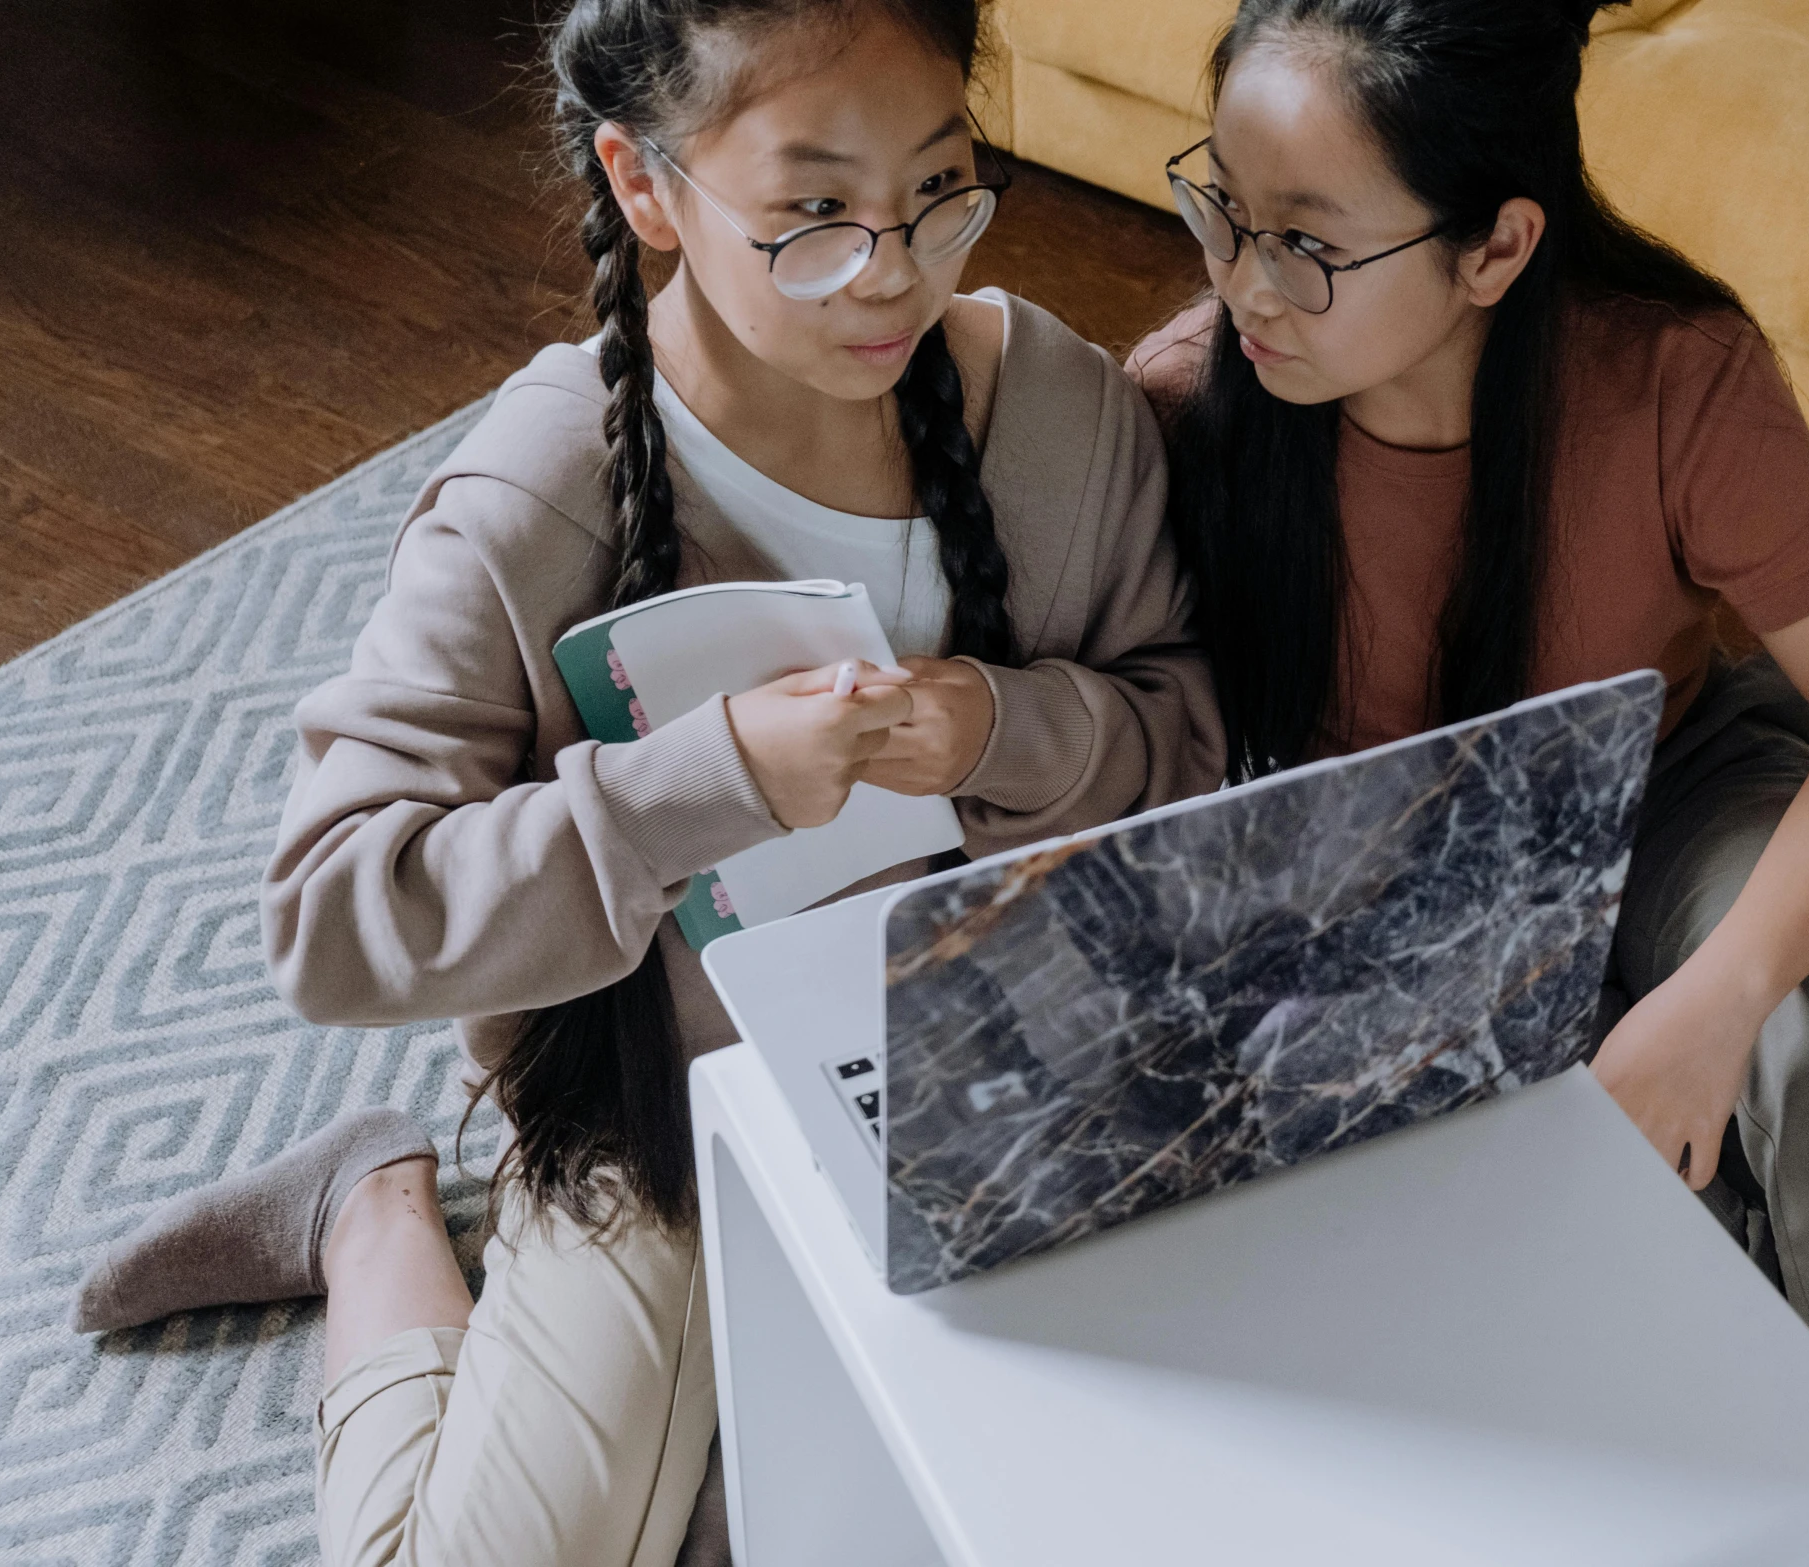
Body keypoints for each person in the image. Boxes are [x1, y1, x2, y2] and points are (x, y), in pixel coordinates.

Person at [65, 1, 1221, 1563]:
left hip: (993, 1067)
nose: (892, 269)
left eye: (940, 187)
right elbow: (332, 917)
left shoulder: (1058, 412)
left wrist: (1000, 730)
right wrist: (705, 781)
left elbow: (1191, 738)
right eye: (811, 215)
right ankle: (374, 1205)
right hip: (666, 1123)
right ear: (645, 183)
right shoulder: (536, 492)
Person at [1129, 2, 1809, 1560]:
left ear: (1495, 248)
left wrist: (1728, 990)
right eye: (1225, 208)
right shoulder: (1190, 400)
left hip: (1662, 780)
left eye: (1305, 244)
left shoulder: (1672, 380)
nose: (1243, 284)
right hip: (1390, 855)